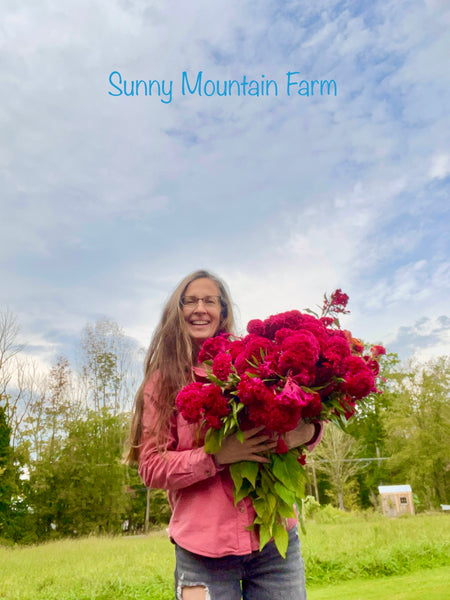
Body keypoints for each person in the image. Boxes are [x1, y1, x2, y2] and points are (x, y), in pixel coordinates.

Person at [125, 270, 322, 600]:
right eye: (190, 301)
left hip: (274, 543)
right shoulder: (162, 383)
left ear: (224, 311)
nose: (200, 308)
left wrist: (309, 432)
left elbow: (302, 411)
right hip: (203, 554)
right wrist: (215, 456)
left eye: (210, 301)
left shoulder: (259, 362)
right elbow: (151, 467)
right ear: (177, 310)